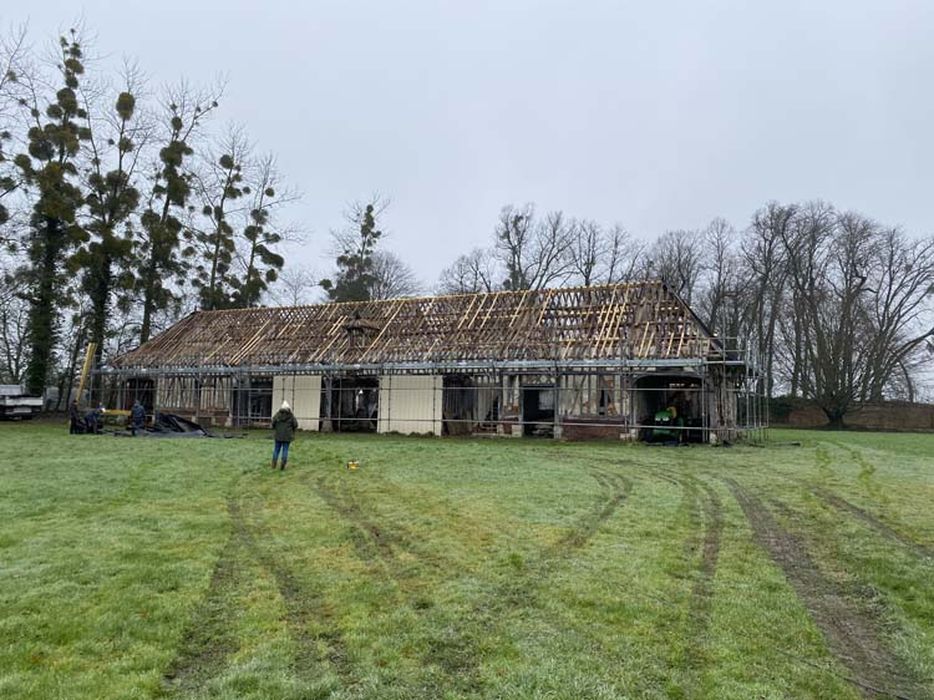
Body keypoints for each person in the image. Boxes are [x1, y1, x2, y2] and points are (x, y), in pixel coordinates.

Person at [271, 400, 298, 470]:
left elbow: (273, 423)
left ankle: (274, 464)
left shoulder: (277, 415)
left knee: (276, 450)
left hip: (278, 436)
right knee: (285, 450)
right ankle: (283, 463)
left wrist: (276, 428)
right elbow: (295, 424)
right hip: (287, 436)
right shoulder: (291, 416)